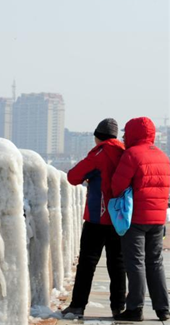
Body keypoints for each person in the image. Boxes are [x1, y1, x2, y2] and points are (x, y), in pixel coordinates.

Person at [62, 118, 126, 318]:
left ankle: (78, 306)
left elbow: (73, 177)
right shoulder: (125, 153)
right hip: (120, 218)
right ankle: (118, 307)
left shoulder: (99, 154)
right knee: (118, 263)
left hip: (97, 219)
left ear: (98, 137)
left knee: (87, 263)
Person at [111, 117, 170, 321]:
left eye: (126, 133)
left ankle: (135, 308)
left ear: (134, 134)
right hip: (158, 219)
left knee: (135, 262)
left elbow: (117, 186)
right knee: (155, 262)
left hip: (135, 219)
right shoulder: (163, 156)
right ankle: (163, 308)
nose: (124, 137)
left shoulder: (131, 154)